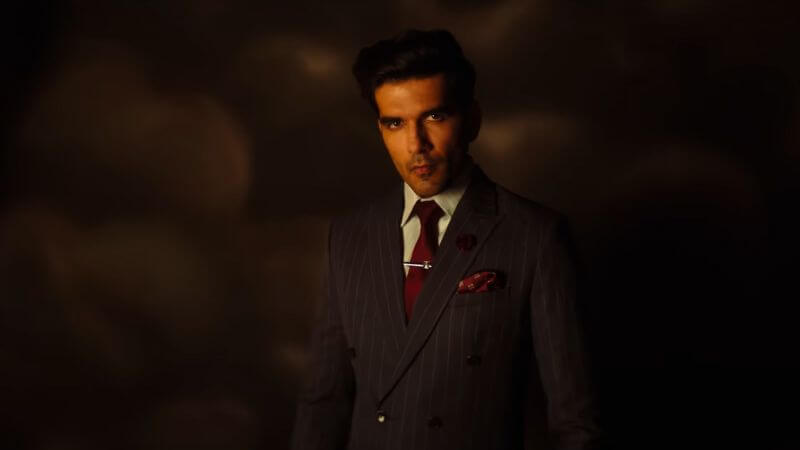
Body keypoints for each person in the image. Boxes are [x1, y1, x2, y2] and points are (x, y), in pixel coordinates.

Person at [291, 29, 602, 450]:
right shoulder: (349, 235)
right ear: (380, 128)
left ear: (472, 119)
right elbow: (323, 404)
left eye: (434, 117)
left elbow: (575, 423)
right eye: (395, 123)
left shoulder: (535, 236)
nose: (416, 144)